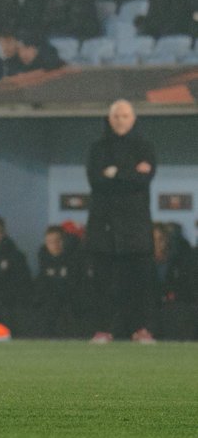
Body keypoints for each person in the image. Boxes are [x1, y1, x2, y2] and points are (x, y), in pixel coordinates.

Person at [85, 99, 156, 343]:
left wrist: (114, 173)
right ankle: (103, 329)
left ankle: (141, 329)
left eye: (125, 116)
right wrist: (132, 172)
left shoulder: (145, 147)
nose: (120, 120)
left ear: (133, 119)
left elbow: (143, 180)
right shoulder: (97, 149)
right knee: (103, 284)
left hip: (136, 230)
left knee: (139, 284)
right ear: (109, 118)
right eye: (116, 116)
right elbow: (96, 180)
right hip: (103, 230)